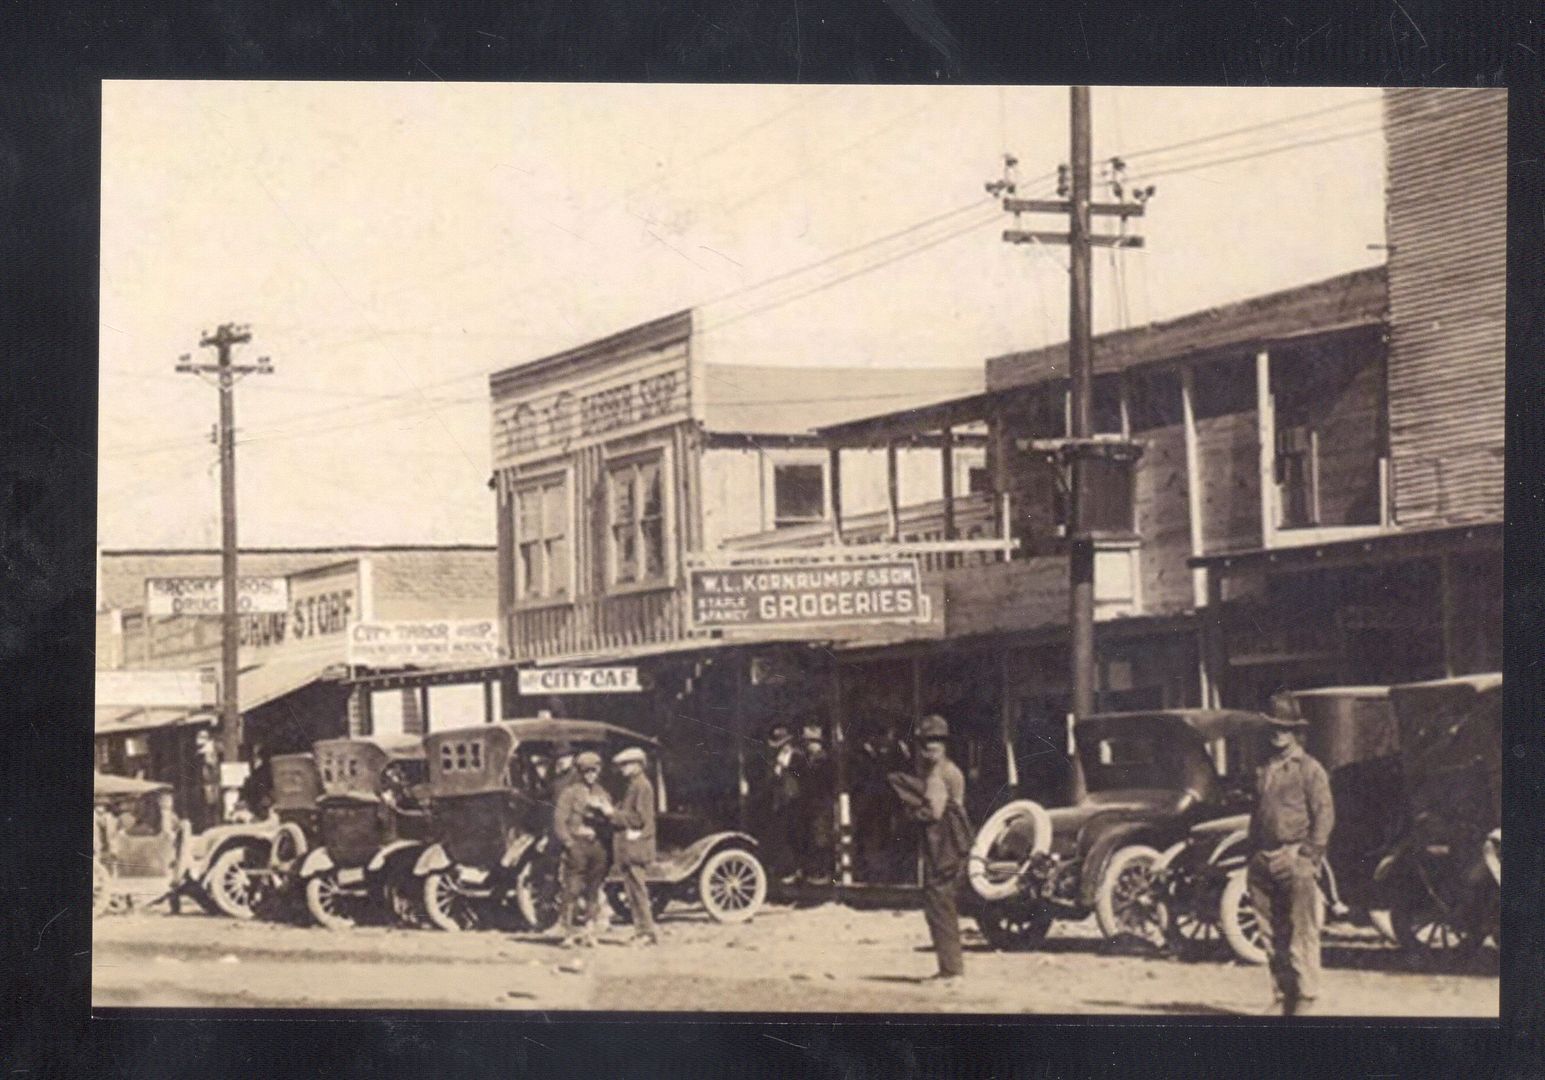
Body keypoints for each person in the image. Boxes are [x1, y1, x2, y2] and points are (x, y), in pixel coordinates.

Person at [1247, 697, 1335, 1016]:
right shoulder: (1263, 768)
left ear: (1295, 732)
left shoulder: (1310, 769)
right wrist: (1252, 857)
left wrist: (1308, 857)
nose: (1277, 735)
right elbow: (1256, 815)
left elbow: (1324, 816)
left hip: (1295, 855)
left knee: (1302, 930)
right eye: (1272, 727)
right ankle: (1283, 995)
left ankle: (1306, 998)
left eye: (1284, 729)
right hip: (1262, 859)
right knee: (1271, 934)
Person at [908, 714, 971, 983]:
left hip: (942, 845)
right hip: (955, 845)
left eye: (934, 742)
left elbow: (933, 813)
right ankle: (951, 968)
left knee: (939, 905)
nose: (929, 748)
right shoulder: (953, 770)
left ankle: (950, 971)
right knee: (945, 904)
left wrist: (910, 812)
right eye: (926, 742)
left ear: (943, 745)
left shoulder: (936, 775)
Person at [552, 751, 612, 948]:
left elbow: (610, 819)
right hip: (577, 846)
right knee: (572, 890)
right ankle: (568, 932)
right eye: (587, 771)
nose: (591, 775)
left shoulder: (602, 793)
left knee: (594, 890)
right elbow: (559, 822)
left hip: (597, 847)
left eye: (594, 771)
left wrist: (603, 812)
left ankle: (589, 932)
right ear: (579, 772)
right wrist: (569, 843)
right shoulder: (569, 793)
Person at [606, 746, 658, 946]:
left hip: (636, 847)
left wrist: (612, 813)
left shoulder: (642, 786)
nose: (622, 769)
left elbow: (639, 819)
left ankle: (647, 933)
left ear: (638, 765)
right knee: (633, 892)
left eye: (626, 765)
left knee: (638, 891)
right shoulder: (633, 785)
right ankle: (641, 931)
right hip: (630, 848)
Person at [749, 722, 804, 883]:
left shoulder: (797, 757)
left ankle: (797, 870)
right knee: (781, 836)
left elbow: (799, 777)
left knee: (794, 836)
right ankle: (786, 870)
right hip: (779, 802)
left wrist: (783, 767)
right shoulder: (775, 761)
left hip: (794, 800)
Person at [797, 724, 835, 884]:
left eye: (808, 742)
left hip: (822, 802)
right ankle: (815, 872)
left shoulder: (823, 759)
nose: (806, 746)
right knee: (813, 837)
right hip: (812, 803)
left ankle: (825, 873)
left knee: (822, 838)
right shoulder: (809, 759)